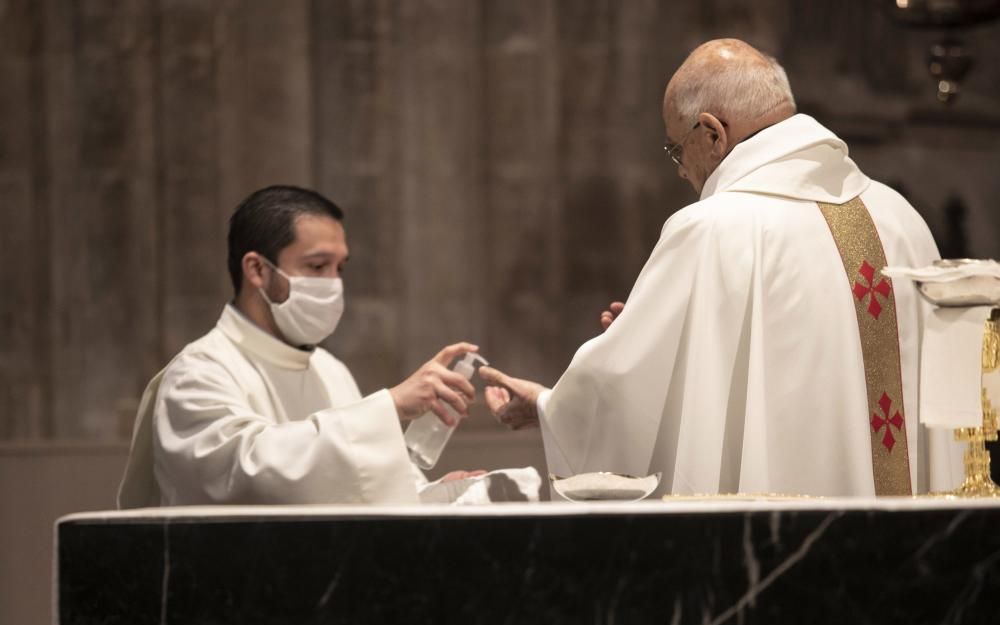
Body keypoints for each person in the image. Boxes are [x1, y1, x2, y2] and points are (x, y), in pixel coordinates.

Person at [480, 39, 962, 497]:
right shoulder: (901, 219)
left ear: (712, 133)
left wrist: (547, 407)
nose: (679, 170)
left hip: (785, 555)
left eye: (676, 149)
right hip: (915, 547)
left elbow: (624, 399)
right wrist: (676, 336)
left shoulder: (712, 229)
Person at [118, 185, 482, 507]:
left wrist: (427, 494)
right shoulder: (198, 372)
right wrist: (391, 405)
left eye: (340, 268)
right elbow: (246, 478)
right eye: (318, 266)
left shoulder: (330, 369)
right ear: (257, 270)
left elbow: (355, 484)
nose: (334, 284)